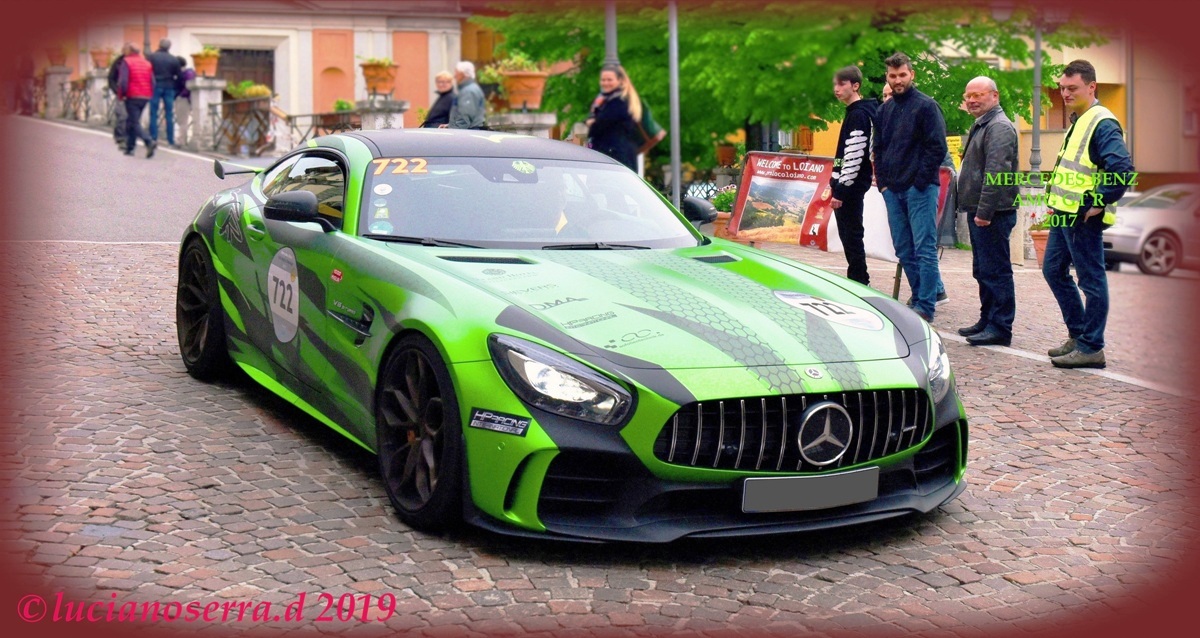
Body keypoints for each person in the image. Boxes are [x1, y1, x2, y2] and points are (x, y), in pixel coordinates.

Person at [1041, 60, 1135, 369]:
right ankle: (1079, 335)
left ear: (1091, 87)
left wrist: (1098, 200)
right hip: (1065, 213)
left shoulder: (1102, 122)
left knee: (1091, 280)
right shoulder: (1080, 119)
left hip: (1082, 217)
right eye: (1062, 88)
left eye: (1072, 88)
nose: (1065, 93)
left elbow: (1122, 170)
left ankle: (1092, 346)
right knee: (1053, 270)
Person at [874, 51, 948, 322]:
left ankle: (926, 306)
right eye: (893, 76)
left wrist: (918, 182)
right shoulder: (884, 110)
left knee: (924, 248)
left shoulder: (927, 106)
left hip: (920, 189)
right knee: (903, 248)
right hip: (892, 190)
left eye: (902, 75)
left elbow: (936, 147)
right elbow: (878, 149)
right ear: (888, 77)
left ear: (912, 74)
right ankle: (918, 297)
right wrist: (883, 185)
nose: (898, 80)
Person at [955, 76, 1019, 347]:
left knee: (996, 271)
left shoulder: (999, 127)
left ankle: (1000, 327)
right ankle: (987, 319)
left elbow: (996, 172)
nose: (971, 100)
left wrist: (984, 211)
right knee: (983, 270)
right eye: (968, 95)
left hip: (994, 212)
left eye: (978, 95)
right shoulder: (983, 124)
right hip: (981, 210)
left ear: (995, 96)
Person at [830, 65, 878, 286]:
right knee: (850, 234)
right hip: (848, 185)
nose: (836, 89)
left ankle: (859, 279)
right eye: (835, 84)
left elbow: (854, 154)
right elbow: (844, 154)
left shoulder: (859, 114)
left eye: (841, 84)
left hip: (851, 187)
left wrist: (840, 189)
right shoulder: (855, 112)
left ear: (855, 86)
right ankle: (858, 277)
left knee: (851, 235)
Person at [586, 63, 639, 171]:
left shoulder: (619, 102)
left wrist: (592, 122)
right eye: (603, 80)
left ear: (620, 81)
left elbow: (600, 124)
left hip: (614, 155)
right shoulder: (609, 100)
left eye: (609, 80)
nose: (605, 83)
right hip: (615, 154)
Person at [117, 43, 156, 158]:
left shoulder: (127, 62)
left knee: (134, 122)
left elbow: (123, 81)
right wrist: (150, 94)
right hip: (145, 95)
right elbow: (152, 81)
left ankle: (148, 141)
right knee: (132, 121)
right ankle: (130, 147)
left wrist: (121, 95)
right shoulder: (147, 63)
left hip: (132, 95)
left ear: (129, 51)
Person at [146, 38, 182, 147]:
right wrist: (176, 89)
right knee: (169, 114)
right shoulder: (174, 59)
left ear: (159, 45)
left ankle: (153, 137)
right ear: (169, 47)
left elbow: (147, 72)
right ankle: (170, 140)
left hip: (155, 86)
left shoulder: (151, 57)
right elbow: (179, 77)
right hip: (169, 86)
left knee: (153, 113)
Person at [448, 61, 486, 130]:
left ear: (463, 74)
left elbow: (464, 118)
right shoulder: (468, 89)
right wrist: (450, 125)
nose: (454, 76)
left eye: (456, 72)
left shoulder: (468, 91)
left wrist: (453, 132)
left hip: (468, 133)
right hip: (470, 131)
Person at [106, 45, 130, 146]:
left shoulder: (137, 61)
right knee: (122, 115)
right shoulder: (118, 62)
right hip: (120, 92)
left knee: (131, 116)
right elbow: (111, 78)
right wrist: (116, 90)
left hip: (134, 93)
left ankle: (127, 135)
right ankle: (120, 136)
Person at [174, 56, 195, 148]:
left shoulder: (186, 74)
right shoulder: (189, 72)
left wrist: (180, 95)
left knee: (182, 120)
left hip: (184, 99)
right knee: (182, 120)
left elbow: (187, 87)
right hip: (185, 98)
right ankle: (182, 139)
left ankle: (181, 141)